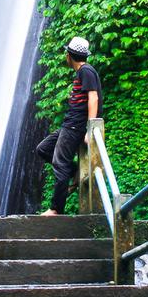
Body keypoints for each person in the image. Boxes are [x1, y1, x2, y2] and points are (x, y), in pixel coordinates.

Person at [36, 36, 103, 216]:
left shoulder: (86, 71)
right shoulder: (83, 72)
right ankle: (75, 171)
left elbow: (94, 98)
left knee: (60, 164)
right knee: (43, 149)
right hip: (69, 124)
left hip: (75, 126)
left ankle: (56, 209)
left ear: (69, 55)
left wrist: (90, 128)